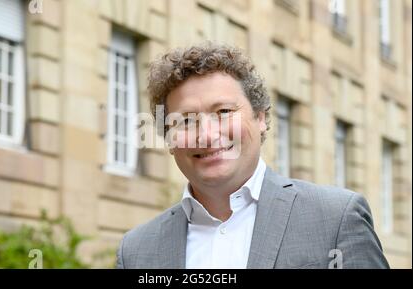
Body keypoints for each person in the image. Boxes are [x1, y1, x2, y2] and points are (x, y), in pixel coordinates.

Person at [115, 43, 389, 269]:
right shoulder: (137, 252)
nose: (207, 135)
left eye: (223, 112)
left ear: (260, 117)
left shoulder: (335, 219)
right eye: (186, 120)